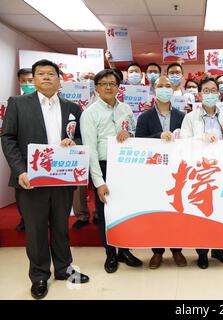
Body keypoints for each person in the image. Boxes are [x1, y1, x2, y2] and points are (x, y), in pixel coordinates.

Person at [1, 59, 90, 299]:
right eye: (40, 74)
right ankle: (39, 275)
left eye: (51, 74)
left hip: (61, 179)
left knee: (61, 227)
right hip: (30, 179)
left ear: (59, 79)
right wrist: (20, 170)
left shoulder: (72, 107)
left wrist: (75, 143)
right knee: (36, 230)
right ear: (34, 79)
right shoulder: (18, 104)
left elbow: (81, 138)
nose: (46, 77)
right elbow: (7, 138)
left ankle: (64, 269)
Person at [80, 69, 143, 274]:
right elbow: (90, 150)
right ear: (97, 88)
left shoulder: (126, 109)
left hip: (125, 166)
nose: (109, 87)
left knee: (125, 210)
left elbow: (133, 132)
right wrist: (98, 182)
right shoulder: (90, 113)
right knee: (106, 212)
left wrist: (129, 133)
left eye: (113, 84)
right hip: (103, 166)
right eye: (104, 84)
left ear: (118, 87)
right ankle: (110, 253)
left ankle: (124, 250)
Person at [179, 77, 223, 269]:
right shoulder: (190, 117)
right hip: (199, 170)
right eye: (206, 91)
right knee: (202, 211)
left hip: (221, 169)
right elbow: (183, 141)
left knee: (220, 212)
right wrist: (202, 137)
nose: (210, 94)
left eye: (214, 90)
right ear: (200, 94)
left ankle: (218, 249)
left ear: (219, 93)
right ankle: (202, 252)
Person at [135, 75, 187, 269]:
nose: (164, 89)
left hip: (177, 172)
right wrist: (158, 136)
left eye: (168, 86)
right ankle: (157, 251)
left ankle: (177, 250)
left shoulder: (182, 117)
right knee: (155, 212)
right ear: (154, 90)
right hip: (153, 172)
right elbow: (139, 143)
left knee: (177, 211)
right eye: (160, 86)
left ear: (173, 90)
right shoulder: (144, 117)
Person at [72, 71, 97, 230]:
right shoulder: (70, 101)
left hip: (97, 146)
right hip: (77, 146)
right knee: (78, 184)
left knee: (98, 180)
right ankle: (81, 215)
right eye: (85, 78)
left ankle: (98, 214)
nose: (88, 81)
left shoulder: (102, 100)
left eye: (91, 79)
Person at [14, 68, 35, 232]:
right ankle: (24, 218)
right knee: (22, 192)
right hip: (23, 157)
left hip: (46, 158)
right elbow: (9, 135)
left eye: (30, 80)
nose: (28, 84)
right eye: (24, 81)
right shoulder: (15, 102)